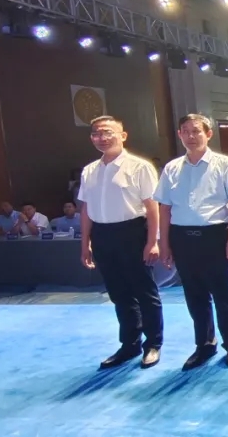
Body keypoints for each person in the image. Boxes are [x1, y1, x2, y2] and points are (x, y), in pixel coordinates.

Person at [155, 113, 228, 371]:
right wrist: (165, 244)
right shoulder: (172, 168)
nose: (191, 136)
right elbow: (164, 208)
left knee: (223, 294)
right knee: (194, 296)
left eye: (196, 131)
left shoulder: (224, 164)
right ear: (179, 135)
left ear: (208, 134)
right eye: (186, 131)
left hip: (214, 236)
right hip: (182, 238)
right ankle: (204, 344)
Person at [77, 115, 163, 369]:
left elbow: (152, 207)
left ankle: (153, 344)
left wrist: (153, 241)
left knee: (144, 292)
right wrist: (85, 243)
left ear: (123, 135)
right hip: (102, 235)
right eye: (96, 134)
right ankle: (130, 343)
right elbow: (86, 209)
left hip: (132, 232)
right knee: (119, 294)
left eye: (107, 132)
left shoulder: (140, 166)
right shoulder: (89, 170)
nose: (102, 138)